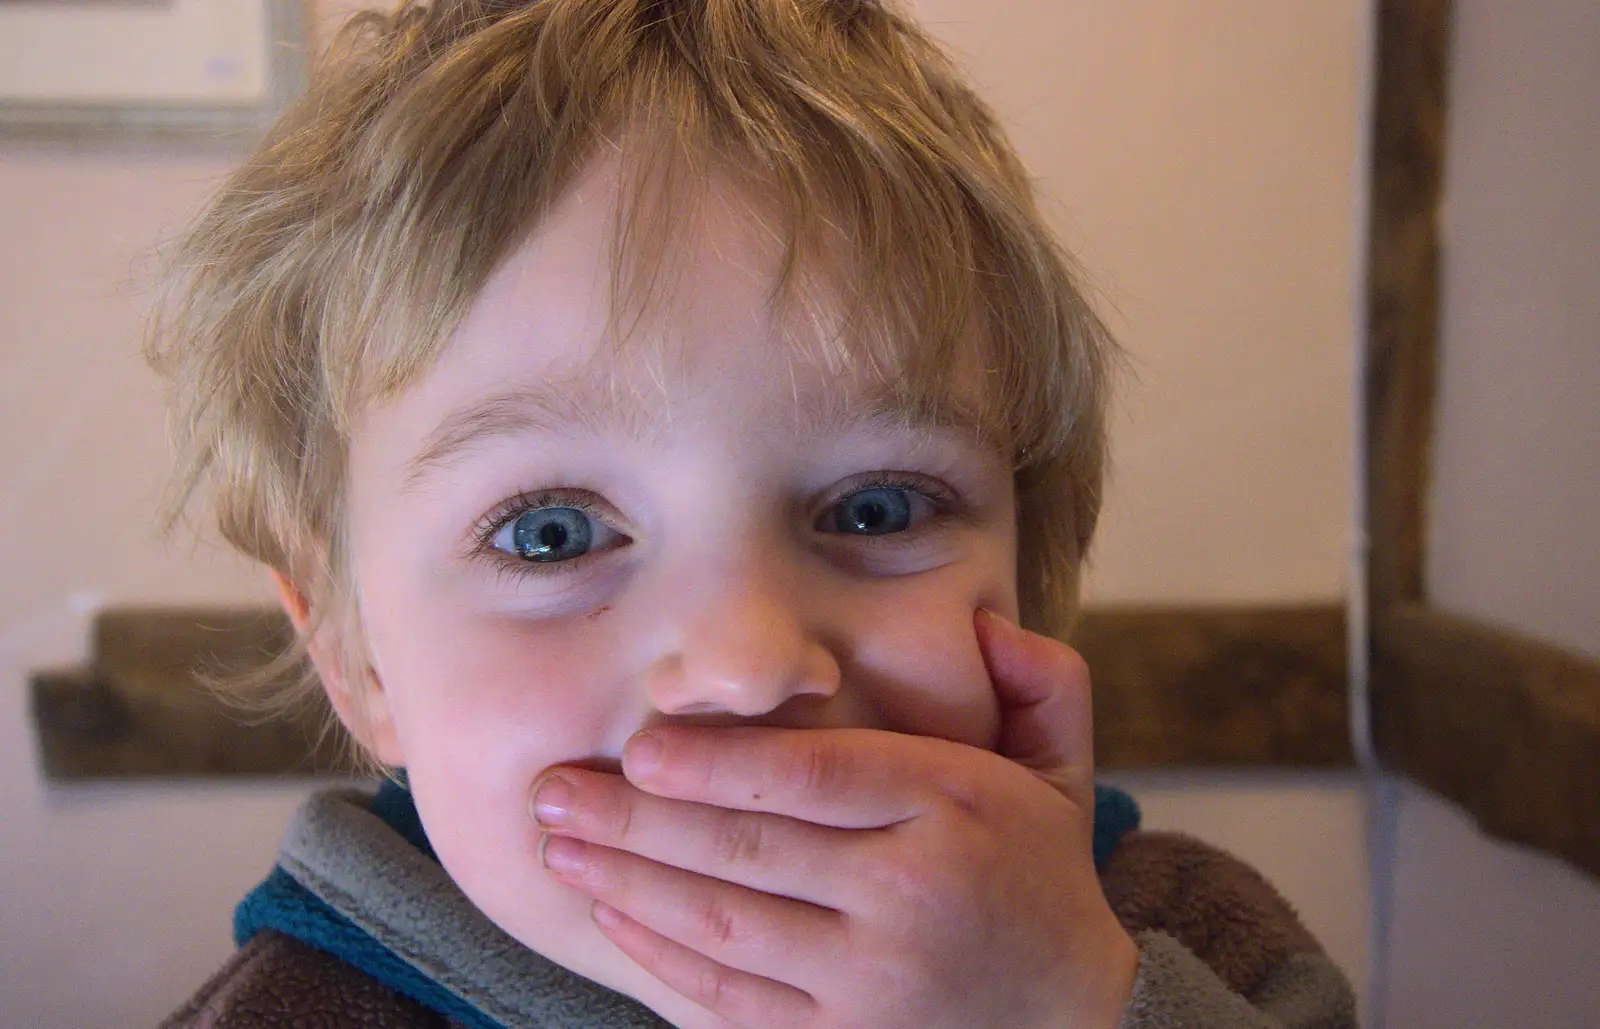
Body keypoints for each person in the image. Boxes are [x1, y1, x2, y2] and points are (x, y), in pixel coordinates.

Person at [147, 1, 1356, 1026]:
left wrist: (1060, 1007)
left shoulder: (1181, 944)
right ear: (355, 663)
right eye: (549, 532)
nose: (745, 665)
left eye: (878, 508)